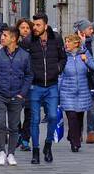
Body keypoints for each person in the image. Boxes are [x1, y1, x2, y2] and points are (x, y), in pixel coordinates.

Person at [0, 26, 31, 167]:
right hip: (0, 94)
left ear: (13, 38)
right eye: (2, 35)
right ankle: (1, 151)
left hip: (17, 96)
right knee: (0, 123)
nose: (2, 38)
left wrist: (22, 93)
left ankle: (11, 153)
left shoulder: (24, 55)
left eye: (5, 35)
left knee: (14, 126)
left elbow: (29, 75)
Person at [22, 14, 66, 164]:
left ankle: (48, 145)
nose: (34, 28)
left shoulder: (56, 39)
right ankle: (35, 151)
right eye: (34, 25)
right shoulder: (28, 41)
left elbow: (63, 57)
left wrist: (58, 68)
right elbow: (24, 61)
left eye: (38, 25)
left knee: (53, 116)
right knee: (34, 119)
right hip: (35, 86)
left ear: (45, 26)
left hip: (52, 85)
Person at [59, 33, 93, 152]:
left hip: (82, 91)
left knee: (78, 118)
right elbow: (59, 75)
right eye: (66, 41)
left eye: (69, 41)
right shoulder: (63, 56)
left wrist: (87, 60)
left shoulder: (84, 53)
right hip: (67, 92)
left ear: (76, 43)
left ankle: (72, 135)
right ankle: (75, 143)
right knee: (72, 117)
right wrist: (57, 94)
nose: (66, 44)